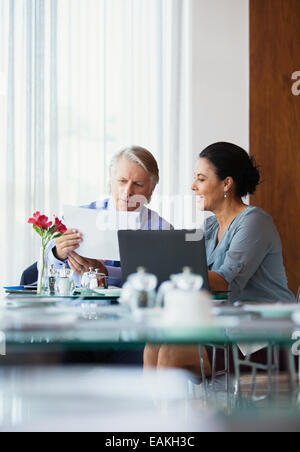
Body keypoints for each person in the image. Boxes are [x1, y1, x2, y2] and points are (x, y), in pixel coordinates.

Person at [144, 142, 295, 376]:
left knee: (172, 352)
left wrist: (168, 274)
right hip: (228, 328)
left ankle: (168, 414)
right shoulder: (211, 226)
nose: (193, 186)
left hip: (267, 335)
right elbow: (196, 275)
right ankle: (152, 413)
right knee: (154, 341)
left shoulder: (255, 221)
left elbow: (223, 282)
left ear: (227, 183)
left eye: (201, 179)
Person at [45, 146, 172, 287]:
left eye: (138, 184)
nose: (128, 191)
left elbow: (162, 279)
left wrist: (106, 272)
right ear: (110, 182)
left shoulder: (162, 230)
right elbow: (40, 271)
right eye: (122, 181)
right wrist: (58, 254)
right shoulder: (76, 219)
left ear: (151, 190)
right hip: (79, 305)